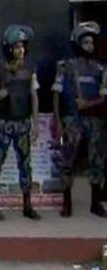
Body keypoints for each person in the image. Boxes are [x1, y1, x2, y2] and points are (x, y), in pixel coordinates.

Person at [0, 25, 40, 221]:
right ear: (9, 48)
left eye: (22, 46)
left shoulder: (30, 67)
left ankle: (27, 204)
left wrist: (36, 122)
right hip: (3, 123)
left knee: (25, 165)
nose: (21, 50)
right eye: (17, 46)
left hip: (23, 122)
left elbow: (34, 95)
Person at [52, 22, 106, 218]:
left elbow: (104, 97)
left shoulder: (100, 69)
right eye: (86, 42)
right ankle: (67, 202)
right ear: (77, 44)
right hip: (71, 120)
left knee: (97, 161)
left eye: (92, 42)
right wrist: (58, 120)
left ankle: (95, 202)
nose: (90, 46)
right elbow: (56, 94)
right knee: (67, 160)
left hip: (95, 121)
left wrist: (88, 104)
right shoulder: (65, 67)